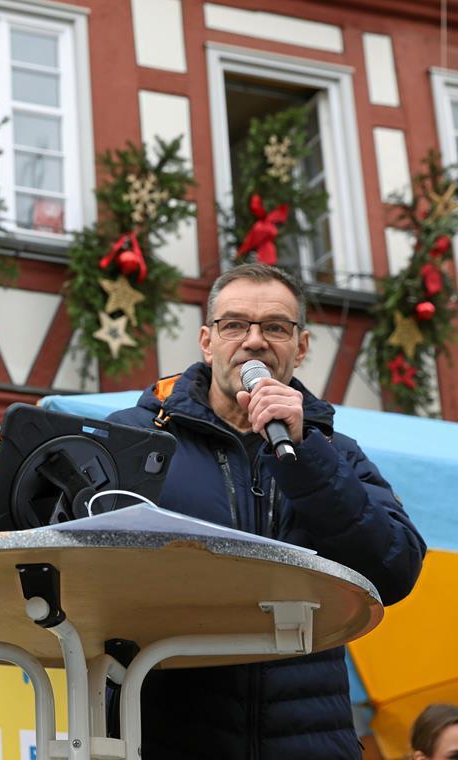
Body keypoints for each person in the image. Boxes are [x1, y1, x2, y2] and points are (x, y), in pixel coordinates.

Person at [106, 263, 425, 760]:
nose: (254, 341)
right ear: (208, 342)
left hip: (308, 741)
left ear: (299, 348)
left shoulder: (334, 452)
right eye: (235, 325)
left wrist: (308, 459)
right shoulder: (140, 438)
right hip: (170, 736)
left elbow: (396, 567)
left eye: (274, 327)